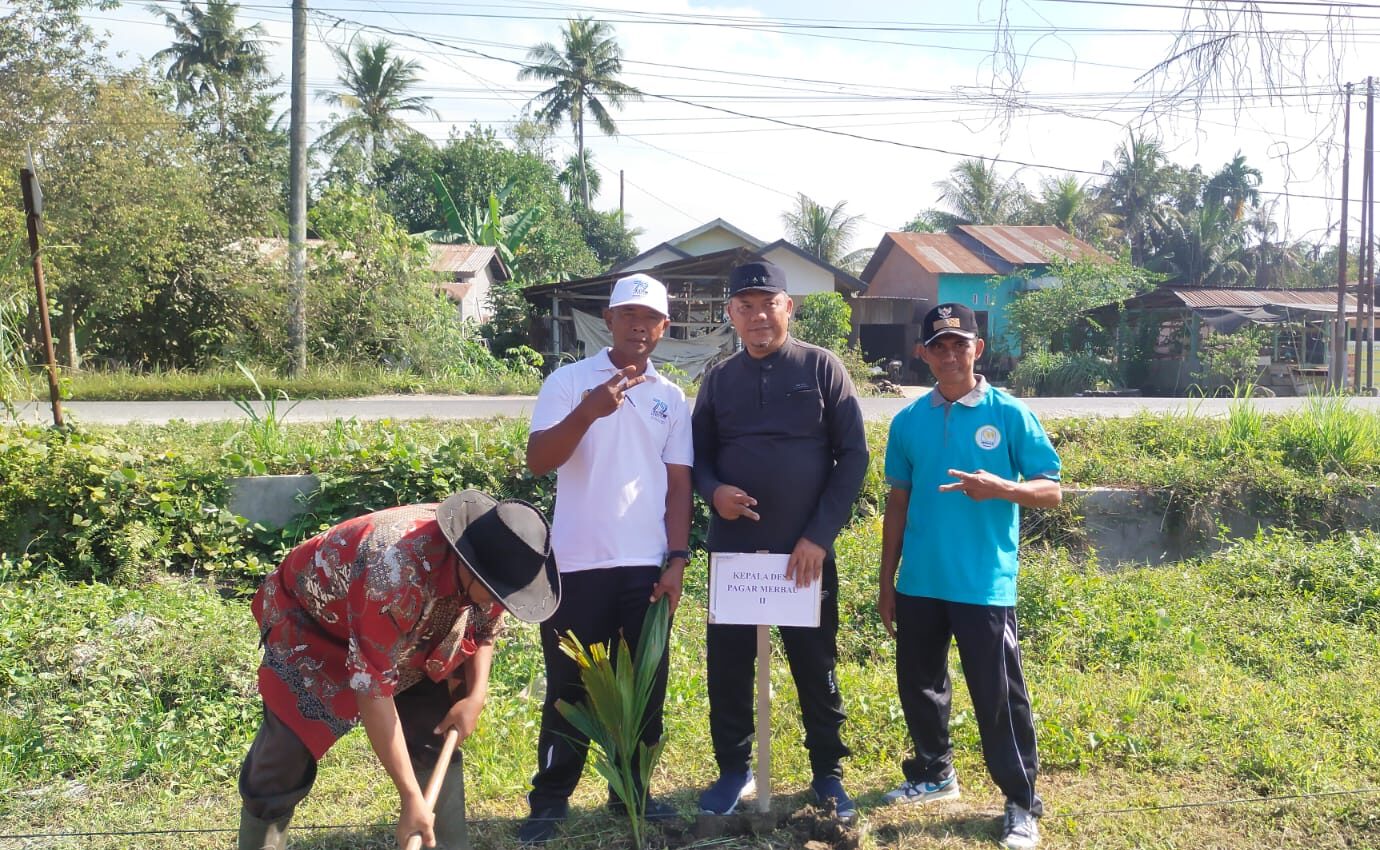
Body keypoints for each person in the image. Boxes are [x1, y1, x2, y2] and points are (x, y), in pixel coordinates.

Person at [238, 490, 561, 850]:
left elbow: (485, 629)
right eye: (494, 594)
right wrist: (410, 799)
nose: (497, 603)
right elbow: (372, 691)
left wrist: (476, 696)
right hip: (314, 623)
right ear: (469, 566)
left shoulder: (495, 565)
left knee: (432, 735)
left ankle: (445, 841)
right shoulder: (392, 568)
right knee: (282, 760)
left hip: (413, 623)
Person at [876, 303, 1062, 850]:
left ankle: (1021, 801)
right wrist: (888, 582)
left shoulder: (1008, 413)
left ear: (978, 349)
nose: (950, 354)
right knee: (920, 686)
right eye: (939, 345)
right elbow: (897, 505)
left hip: (983, 583)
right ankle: (934, 774)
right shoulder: (909, 421)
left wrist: (1002, 488)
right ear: (923, 354)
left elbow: (1051, 489)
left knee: (998, 695)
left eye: (961, 344)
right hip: (919, 583)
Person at [517, 272, 693, 845]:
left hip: (646, 566)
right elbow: (540, 459)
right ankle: (549, 800)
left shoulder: (670, 398)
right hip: (577, 563)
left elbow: (678, 487)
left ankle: (631, 793)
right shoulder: (569, 383)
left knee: (647, 685)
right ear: (609, 320)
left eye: (651, 319)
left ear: (664, 328)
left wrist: (677, 560)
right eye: (629, 316)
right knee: (569, 686)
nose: (639, 327)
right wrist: (590, 411)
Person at [691, 259, 869, 821]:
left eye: (768, 303)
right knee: (729, 666)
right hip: (735, 556)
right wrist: (714, 492)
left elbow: (854, 457)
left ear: (788, 307)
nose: (757, 315)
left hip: (804, 557)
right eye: (745, 307)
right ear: (731, 316)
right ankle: (733, 771)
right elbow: (697, 460)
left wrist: (819, 536)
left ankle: (828, 774)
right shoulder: (718, 380)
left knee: (815, 666)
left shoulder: (822, 368)